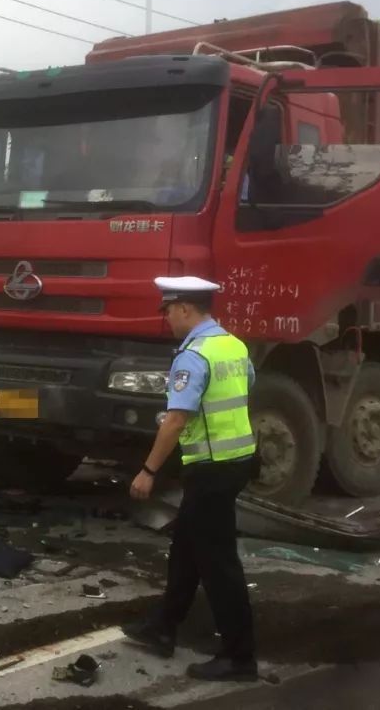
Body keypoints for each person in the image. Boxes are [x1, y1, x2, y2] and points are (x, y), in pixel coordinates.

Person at [124, 276, 260, 682]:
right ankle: (163, 626)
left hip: (212, 467)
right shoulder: (232, 344)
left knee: (218, 563)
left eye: (167, 311)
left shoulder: (194, 355)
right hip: (237, 459)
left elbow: (177, 418)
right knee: (186, 544)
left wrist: (148, 470)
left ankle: (240, 658)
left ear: (185, 309)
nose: (166, 319)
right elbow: (246, 386)